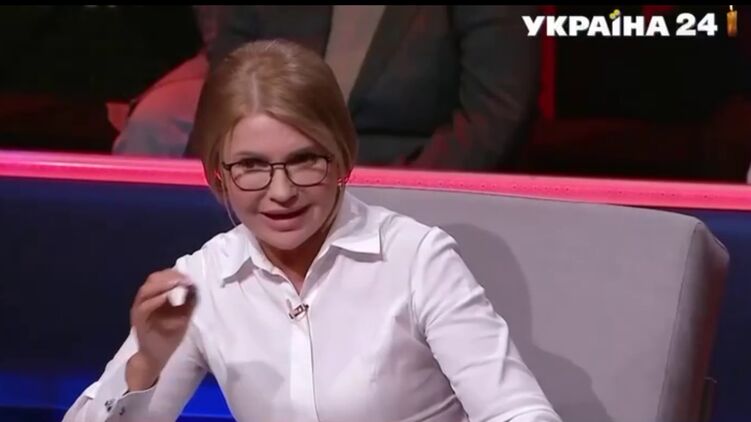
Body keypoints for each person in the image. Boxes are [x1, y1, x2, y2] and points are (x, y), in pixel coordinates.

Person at [64, 40, 560, 422]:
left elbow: (518, 412)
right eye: (252, 166)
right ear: (219, 174)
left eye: (304, 160)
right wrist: (145, 365)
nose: (281, 192)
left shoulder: (417, 261)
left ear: (342, 158)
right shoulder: (203, 280)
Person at [114, 5, 540, 172]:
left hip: (402, 193)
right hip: (273, 188)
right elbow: (225, 100)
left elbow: (493, 116)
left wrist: (398, 198)